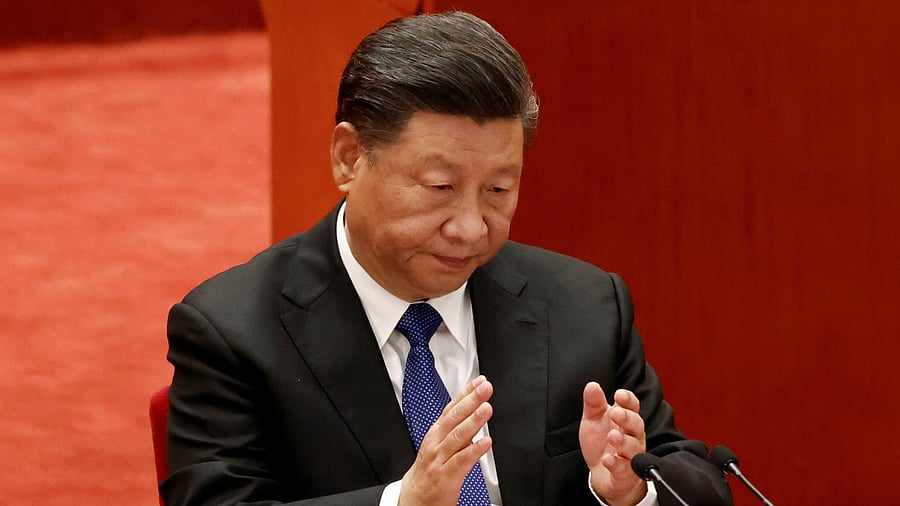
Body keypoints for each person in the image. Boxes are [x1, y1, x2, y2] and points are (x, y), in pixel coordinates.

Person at [161, 11, 733, 506]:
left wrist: (629, 491)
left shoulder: (584, 305)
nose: (471, 228)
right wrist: (402, 502)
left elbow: (694, 476)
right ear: (349, 159)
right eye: (439, 187)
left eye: (499, 191)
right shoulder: (233, 332)